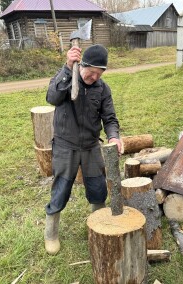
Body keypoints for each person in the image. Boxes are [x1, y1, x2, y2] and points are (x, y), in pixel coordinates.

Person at [44, 44, 122, 255]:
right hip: (65, 146)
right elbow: (52, 98)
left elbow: (110, 118)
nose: (95, 77)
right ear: (82, 65)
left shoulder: (102, 89)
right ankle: (51, 234)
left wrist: (114, 137)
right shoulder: (66, 79)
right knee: (61, 190)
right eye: (92, 71)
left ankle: (97, 229)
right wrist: (68, 68)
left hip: (90, 146)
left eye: (100, 73)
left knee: (98, 189)